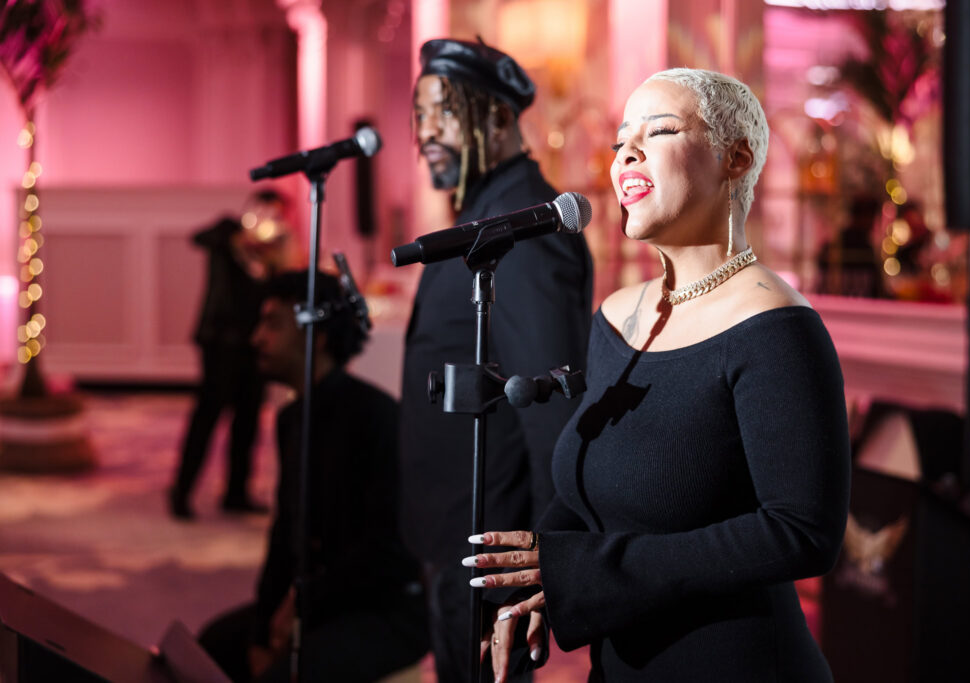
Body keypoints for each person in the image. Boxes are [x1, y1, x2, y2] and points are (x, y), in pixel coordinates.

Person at [467, 69, 852, 681]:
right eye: (621, 140)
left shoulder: (778, 329)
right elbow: (594, 485)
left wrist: (585, 570)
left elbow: (803, 531)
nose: (628, 153)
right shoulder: (619, 315)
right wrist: (541, 578)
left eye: (661, 130)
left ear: (736, 159)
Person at [400, 38, 593, 682]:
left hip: (492, 543)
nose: (425, 131)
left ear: (499, 119)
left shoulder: (525, 233)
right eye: (419, 115)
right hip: (455, 532)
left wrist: (543, 558)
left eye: (443, 112)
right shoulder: (480, 220)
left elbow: (550, 417)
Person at [199, 271, 428, 683]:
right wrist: (262, 628)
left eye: (273, 324)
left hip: (386, 609)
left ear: (317, 336)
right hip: (321, 600)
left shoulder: (375, 417)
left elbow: (389, 552)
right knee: (210, 648)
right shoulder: (291, 419)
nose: (257, 338)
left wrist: (301, 604)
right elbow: (286, 532)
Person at [170, 190, 291, 520]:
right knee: (208, 416)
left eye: (277, 215)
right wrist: (241, 236)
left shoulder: (274, 253)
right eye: (266, 212)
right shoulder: (227, 233)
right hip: (219, 341)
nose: (270, 220)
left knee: (249, 420)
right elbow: (199, 237)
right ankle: (181, 492)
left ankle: (237, 493)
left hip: (253, 345)